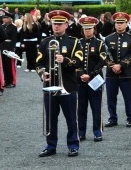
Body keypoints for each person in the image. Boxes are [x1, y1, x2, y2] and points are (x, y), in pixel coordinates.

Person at [36, 10, 81, 157]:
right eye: (54, 24)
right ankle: (50, 145)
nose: (56, 27)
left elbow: (79, 61)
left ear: (66, 25)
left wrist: (66, 60)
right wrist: (43, 73)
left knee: (71, 119)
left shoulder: (74, 42)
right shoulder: (45, 42)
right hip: (50, 86)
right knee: (50, 118)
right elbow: (38, 62)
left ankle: (73, 145)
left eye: (60, 24)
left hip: (68, 85)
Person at [76, 16, 107, 141]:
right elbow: (76, 62)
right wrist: (81, 74)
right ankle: (81, 132)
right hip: (80, 80)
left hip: (95, 80)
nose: (87, 31)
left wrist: (90, 75)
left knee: (96, 107)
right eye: (85, 29)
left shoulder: (99, 44)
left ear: (94, 29)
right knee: (81, 108)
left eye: (89, 29)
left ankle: (97, 131)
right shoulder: (78, 43)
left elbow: (101, 62)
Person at [104, 12, 131, 128]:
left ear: (126, 24)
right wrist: (113, 66)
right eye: (117, 23)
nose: (119, 25)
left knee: (128, 97)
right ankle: (112, 118)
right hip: (111, 73)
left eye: (121, 23)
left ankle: (130, 117)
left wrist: (121, 65)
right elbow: (105, 55)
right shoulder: (108, 38)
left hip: (126, 73)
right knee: (111, 97)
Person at [1, 10, 18, 88]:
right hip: (3, 46)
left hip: (9, 46)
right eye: (3, 18)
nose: (4, 19)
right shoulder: (2, 26)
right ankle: (6, 81)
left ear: (9, 18)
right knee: (4, 65)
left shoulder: (13, 27)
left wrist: (12, 49)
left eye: (5, 18)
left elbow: (14, 39)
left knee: (10, 65)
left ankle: (12, 81)